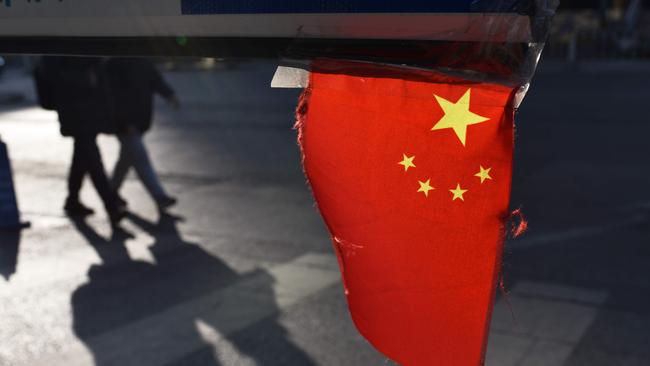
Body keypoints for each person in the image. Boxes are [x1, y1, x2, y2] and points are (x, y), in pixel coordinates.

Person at [42, 56, 126, 225]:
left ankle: (73, 201)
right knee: (94, 162)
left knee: (81, 161)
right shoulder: (71, 59)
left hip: (86, 116)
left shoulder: (82, 58)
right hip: (78, 116)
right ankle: (111, 205)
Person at [106, 58, 179, 210]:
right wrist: (125, 122)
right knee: (141, 160)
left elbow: (154, 78)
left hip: (138, 122)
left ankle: (110, 191)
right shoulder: (115, 62)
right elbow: (113, 95)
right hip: (127, 125)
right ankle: (160, 197)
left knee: (125, 161)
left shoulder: (141, 58)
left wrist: (169, 94)